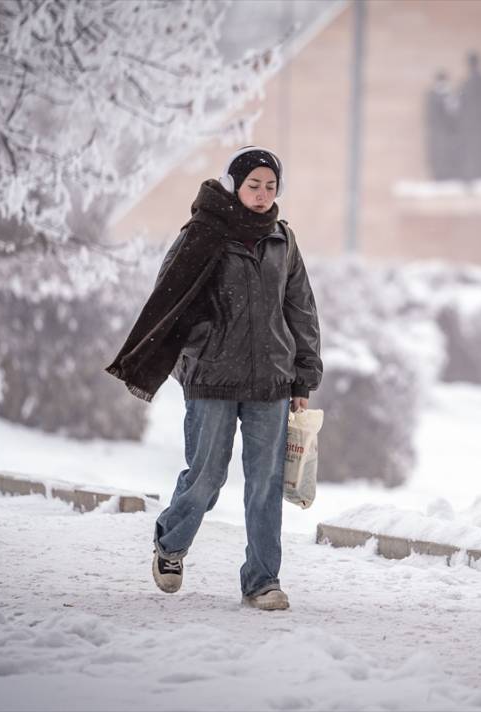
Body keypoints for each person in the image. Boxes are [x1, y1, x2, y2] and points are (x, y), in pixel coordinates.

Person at [105, 146, 322, 611]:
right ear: (234, 185)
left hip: (271, 381)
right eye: (253, 185)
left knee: (264, 484)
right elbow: (169, 300)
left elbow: (300, 310)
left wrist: (304, 377)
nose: (263, 195)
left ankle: (262, 581)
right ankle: (171, 544)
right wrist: (202, 343)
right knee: (206, 475)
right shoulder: (203, 235)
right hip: (212, 377)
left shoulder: (283, 241)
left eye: (270, 186)